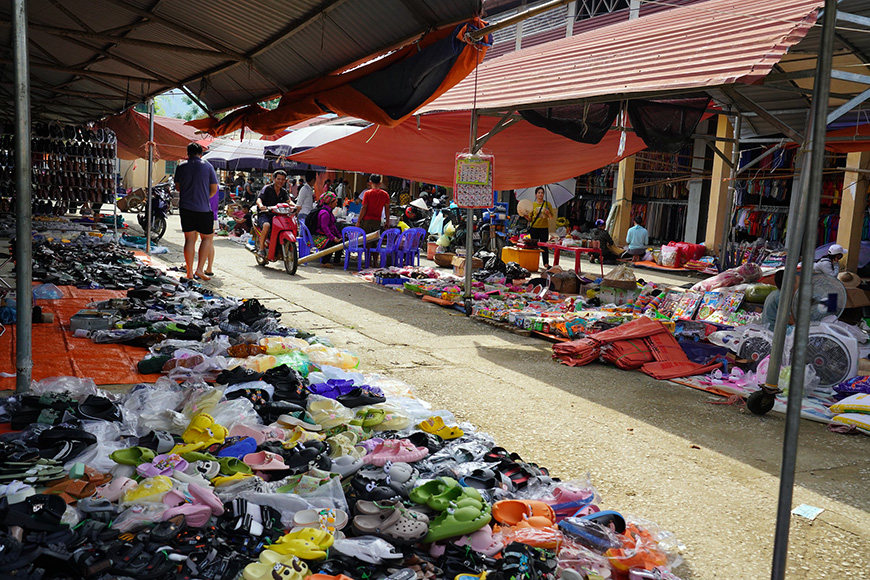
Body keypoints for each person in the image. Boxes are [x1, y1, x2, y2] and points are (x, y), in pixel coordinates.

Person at [174, 142, 219, 281]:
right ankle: (200, 269)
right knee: (207, 238)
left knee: (189, 239)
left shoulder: (181, 167)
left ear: (188, 153)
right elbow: (214, 188)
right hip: (203, 208)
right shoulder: (208, 166)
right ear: (201, 153)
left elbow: (178, 187)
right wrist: (204, 197)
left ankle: (189, 272)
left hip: (186, 207)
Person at [255, 170, 290, 256]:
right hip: (265, 214)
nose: (280, 181)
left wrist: (296, 206)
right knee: (267, 225)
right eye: (278, 179)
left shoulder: (284, 191)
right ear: (274, 179)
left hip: (278, 216)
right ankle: (262, 249)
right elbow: (259, 200)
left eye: (282, 179)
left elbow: (289, 201)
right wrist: (261, 205)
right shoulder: (267, 188)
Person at [311, 192, 343, 266]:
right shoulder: (324, 213)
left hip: (326, 234)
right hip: (319, 237)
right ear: (330, 202)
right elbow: (325, 228)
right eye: (335, 202)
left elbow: (333, 226)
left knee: (341, 242)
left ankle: (336, 261)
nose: (336, 204)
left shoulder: (329, 212)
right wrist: (333, 238)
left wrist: (339, 235)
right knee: (332, 243)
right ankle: (324, 262)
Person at [527, 187, 554, 270]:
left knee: (544, 246)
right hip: (534, 228)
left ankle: (546, 264)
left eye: (542, 193)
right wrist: (525, 216)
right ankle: (534, 263)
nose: (540, 194)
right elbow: (530, 219)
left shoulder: (547, 204)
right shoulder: (533, 205)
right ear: (536, 194)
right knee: (534, 247)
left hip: (544, 228)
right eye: (538, 193)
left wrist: (548, 213)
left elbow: (551, 217)